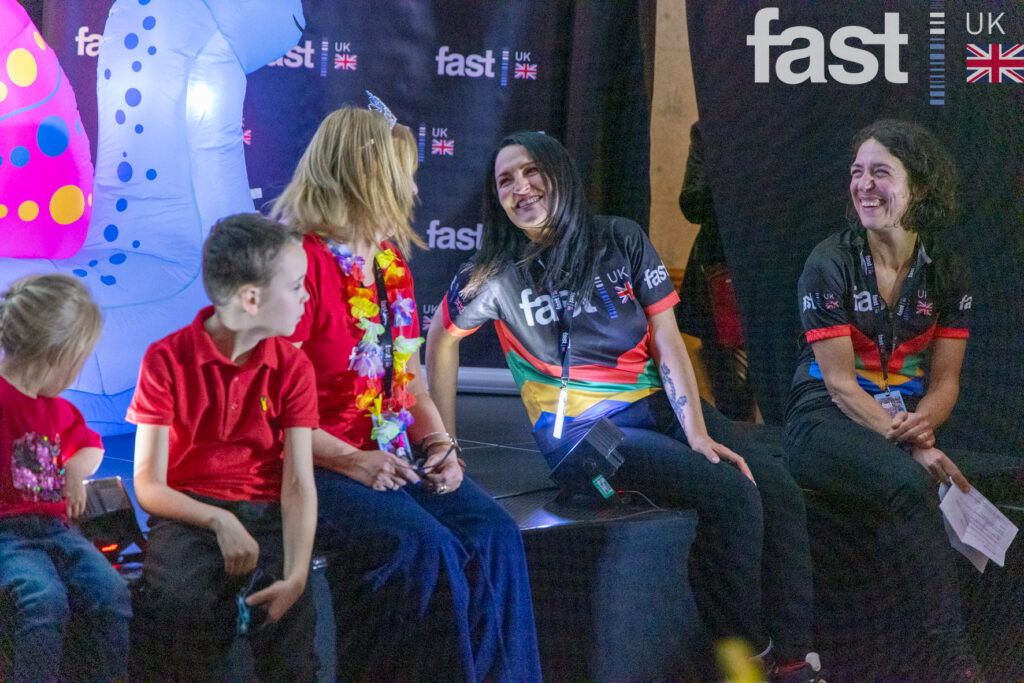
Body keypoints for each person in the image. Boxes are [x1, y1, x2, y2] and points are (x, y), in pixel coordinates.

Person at [425, 130, 821, 681]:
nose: (521, 187)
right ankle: (746, 658)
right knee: (731, 492)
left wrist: (696, 428)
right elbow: (440, 340)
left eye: (532, 171)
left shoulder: (620, 237)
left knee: (776, 487)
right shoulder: (491, 273)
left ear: (560, 174)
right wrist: (444, 442)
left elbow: (667, 338)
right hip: (584, 435)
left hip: (656, 404)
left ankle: (796, 657)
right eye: (506, 180)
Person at [269, 105, 542, 682]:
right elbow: (267, 409)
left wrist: (441, 446)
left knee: (493, 533)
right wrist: (352, 459)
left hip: (387, 454)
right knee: (423, 547)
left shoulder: (390, 261)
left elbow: (409, 379)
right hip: (309, 463)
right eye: (405, 176)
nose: (415, 190)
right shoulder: (297, 265)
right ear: (367, 179)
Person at [785, 119, 1024, 681]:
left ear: (918, 186)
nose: (864, 185)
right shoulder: (829, 262)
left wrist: (922, 428)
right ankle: (952, 660)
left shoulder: (947, 270)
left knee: (973, 491)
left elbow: (946, 383)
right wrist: (914, 445)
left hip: (902, 422)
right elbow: (841, 386)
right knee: (911, 483)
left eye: (880, 173)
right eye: (857, 173)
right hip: (823, 418)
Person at [128, 213, 319, 681]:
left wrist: (296, 576)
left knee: (296, 633)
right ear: (251, 299)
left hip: (266, 516)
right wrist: (218, 520)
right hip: (189, 516)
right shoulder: (165, 359)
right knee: (177, 613)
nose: (306, 297)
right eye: (296, 286)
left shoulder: (294, 368)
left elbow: (298, 483)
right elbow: (149, 485)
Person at [0, 274, 131, 682]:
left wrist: (74, 473)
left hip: (56, 530)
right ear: (57, 354)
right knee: (42, 598)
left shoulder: (57, 409)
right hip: (7, 534)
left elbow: (91, 448)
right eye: (79, 362)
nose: (77, 373)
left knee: (110, 592)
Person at [675, 121, 756, 421]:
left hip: (775, 268)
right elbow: (691, 202)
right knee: (730, 393)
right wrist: (733, 173)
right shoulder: (711, 129)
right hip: (720, 271)